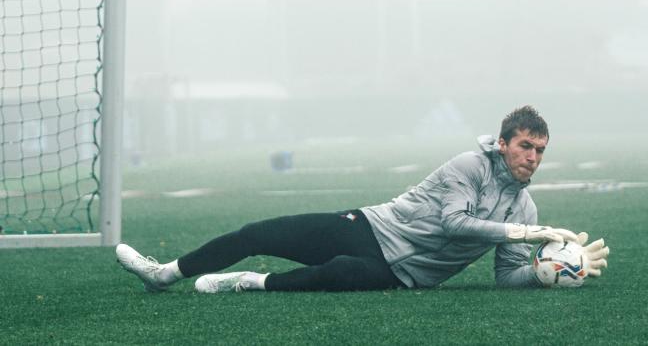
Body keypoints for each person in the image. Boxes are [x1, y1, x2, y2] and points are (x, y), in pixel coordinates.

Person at [116, 106, 609, 293]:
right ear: (503, 143)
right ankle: (165, 274)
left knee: (339, 274)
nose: (533, 156)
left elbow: (506, 277)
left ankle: (248, 283)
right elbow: (454, 223)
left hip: (404, 275)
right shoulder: (469, 166)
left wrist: (551, 272)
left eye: (541, 150)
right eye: (526, 145)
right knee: (257, 233)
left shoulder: (526, 209)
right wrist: (524, 234)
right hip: (372, 227)